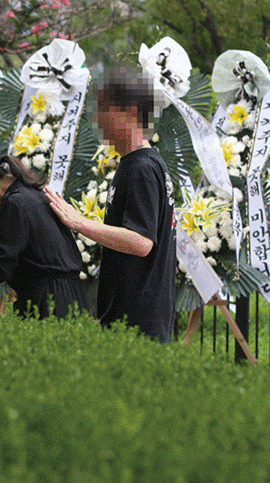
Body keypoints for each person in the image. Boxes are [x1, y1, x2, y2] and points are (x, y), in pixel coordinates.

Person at [46, 67, 177, 343]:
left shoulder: (142, 168)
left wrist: (79, 222)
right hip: (129, 320)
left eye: (104, 110)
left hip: (138, 325)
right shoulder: (134, 164)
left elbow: (141, 242)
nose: (98, 119)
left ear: (129, 113)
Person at [0, 148, 88, 319]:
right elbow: (15, 251)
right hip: (68, 299)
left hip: (48, 305)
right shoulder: (28, 194)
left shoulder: (15, 203)